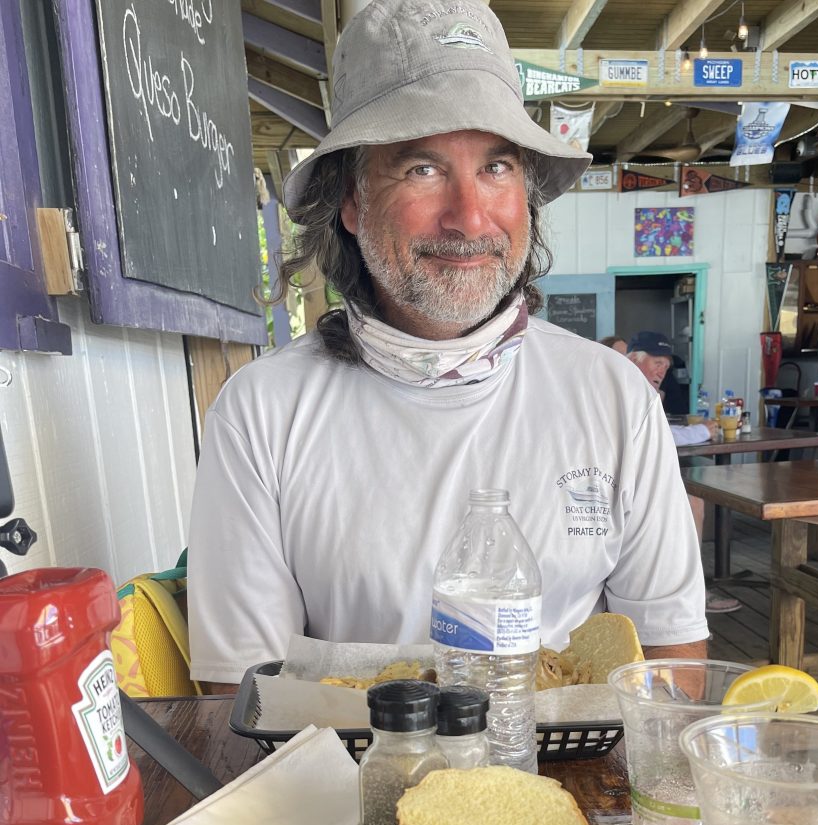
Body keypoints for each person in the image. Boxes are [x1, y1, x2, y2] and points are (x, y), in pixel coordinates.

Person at [187, 0, 708, 689]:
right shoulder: (261, 413)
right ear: (350, 203)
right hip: (343, 761)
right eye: (422, 170)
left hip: (569, 758)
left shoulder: (614, 397)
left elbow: (672, 662)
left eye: (496, 167)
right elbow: (243, 693)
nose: (470, 217)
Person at [626, 331, 741, 614]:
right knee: (692, 502)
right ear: (634, 360)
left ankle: (688, 589)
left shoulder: (641, 390)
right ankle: (691, 594)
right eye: (657, 363)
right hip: (617, 484)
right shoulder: (626, 387)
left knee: (692, 499)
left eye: (666, 366)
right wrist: (701, 431)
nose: (662, 371)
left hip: (629, 479)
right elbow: (659, 435)